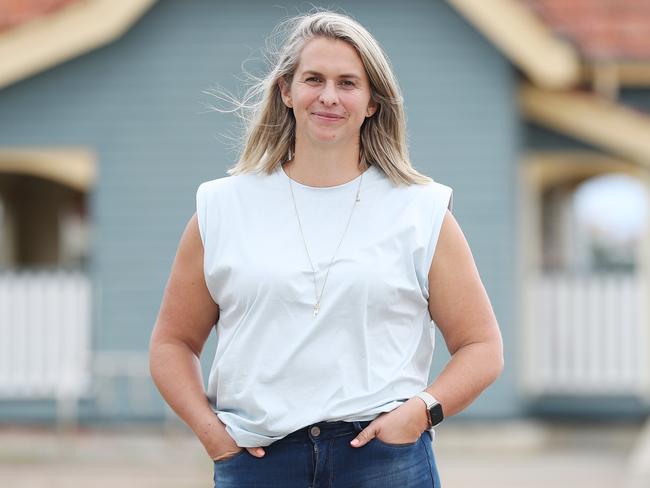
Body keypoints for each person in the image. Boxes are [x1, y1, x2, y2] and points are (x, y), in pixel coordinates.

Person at [149, 9, 503, 488]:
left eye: (348, 82)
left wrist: (419, 414)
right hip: (259, 461)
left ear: (372, 101)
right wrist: (213, 435)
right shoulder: (222, 207)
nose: (329, 97)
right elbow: (172, 344)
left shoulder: (421, 211)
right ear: (287, 92)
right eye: (313, 79)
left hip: (383, 459)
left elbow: (482, 347)